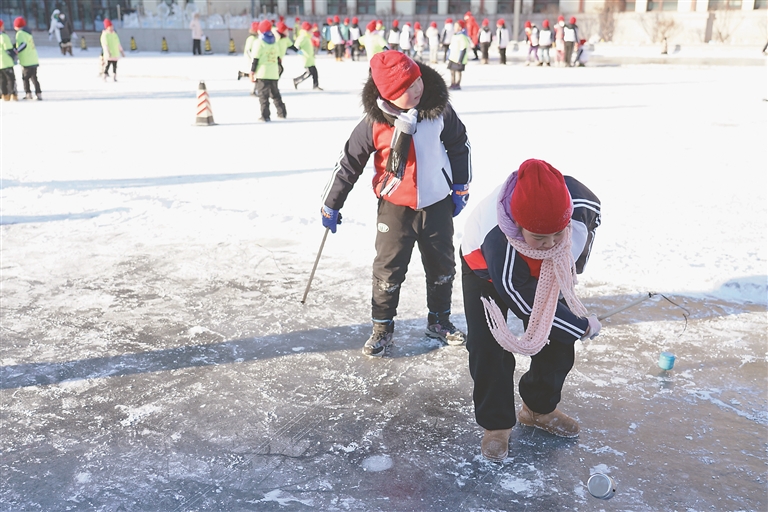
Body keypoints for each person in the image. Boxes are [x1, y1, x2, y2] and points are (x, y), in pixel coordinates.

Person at [320, 51, 472, 357]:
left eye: (416, 81)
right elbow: (349, 163)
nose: (416, 90)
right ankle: (382, 328)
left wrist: (460, 187)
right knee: (388, 271)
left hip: (436, 204)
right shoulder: (374, 124)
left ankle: (439, 320)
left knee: (443, 267)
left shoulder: (438, 111)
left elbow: (459, 143)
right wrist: (331, 203)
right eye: (405, 89)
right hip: (394, 207)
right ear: (388, 95)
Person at [459, 158, 602, 461]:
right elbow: (523, 299)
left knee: (558, 340)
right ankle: (496, 425)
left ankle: (538, 408)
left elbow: (582, 242)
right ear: (519, 225)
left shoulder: (580, 205)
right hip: (484, 269)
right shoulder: (498, 238)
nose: (550, 243)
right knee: (487, 344)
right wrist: (580, 324)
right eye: (539, 237)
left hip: (543, 269)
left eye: (557, 234)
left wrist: (565, 270)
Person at [250, 20, 286, 121]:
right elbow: (278, 58)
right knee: (275, 94)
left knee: (263, 96)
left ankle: (265, 115)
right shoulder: (274, 42)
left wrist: (252, 72)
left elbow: (255, 58)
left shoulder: (259, 42)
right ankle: (282, 112)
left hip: (262, 73)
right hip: (274, 73)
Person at [13, 17, 42, 100]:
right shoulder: (28, 33)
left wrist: (16, 50)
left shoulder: (20, 33)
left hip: (27, 60)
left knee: (25, 78)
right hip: (33, 59)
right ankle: (38, 93)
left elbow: (23, 44)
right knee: (34, 78)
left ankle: (28, 93)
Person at [293, 21, 322, 90]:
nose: (311, 31)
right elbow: (296, 45)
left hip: (310, 58)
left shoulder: (307, 36)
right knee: (309, 73)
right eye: (310, 29)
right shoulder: (303, 36)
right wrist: (299, 52)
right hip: (306, 58)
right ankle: (296, 80)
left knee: (314, 72)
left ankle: (315, 86)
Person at [447, 20, 470, 90]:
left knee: (458, 71)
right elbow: (451, 47)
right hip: (453, 57)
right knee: (452, 71)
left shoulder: (462, 37)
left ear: (460, 27)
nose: (454, 27)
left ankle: (457, 83)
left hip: (458, 58)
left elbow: (463, 48)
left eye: (456, 26)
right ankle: (452, 83)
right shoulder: (454, 36)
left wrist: (460, 59)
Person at [1, 19, 19, 101]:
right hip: (6, 61)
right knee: (11, 78)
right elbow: (8, 49)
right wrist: (14, 55)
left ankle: (5, 95)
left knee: (2, 79)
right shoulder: (3, 36)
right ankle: (13, 94)